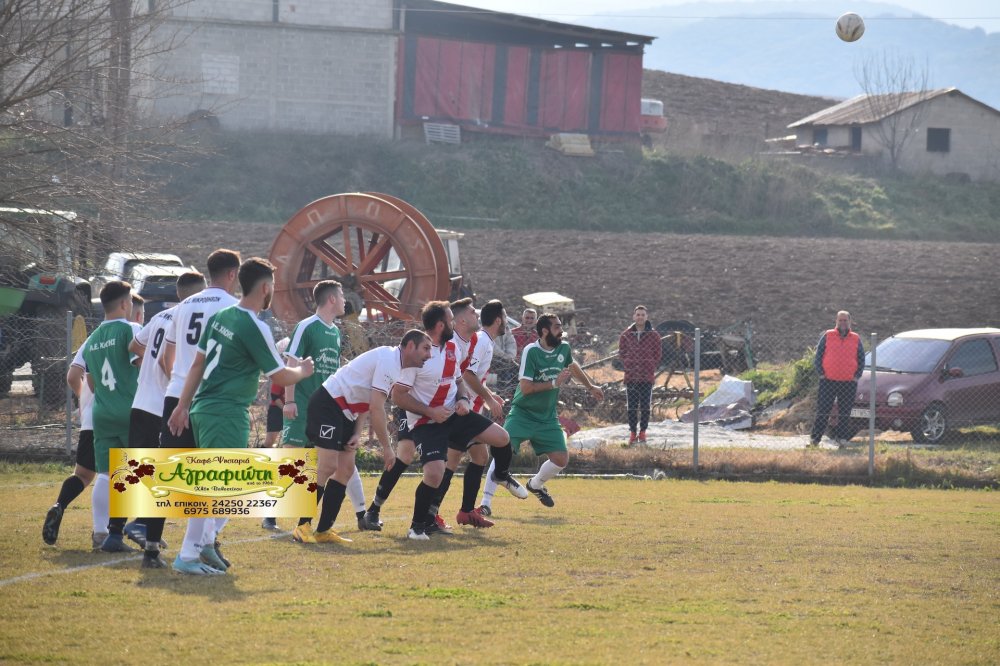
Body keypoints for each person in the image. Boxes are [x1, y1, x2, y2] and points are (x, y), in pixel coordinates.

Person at [167, 257, 315, 575]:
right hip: (225, 411)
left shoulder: (222, 316)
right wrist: (302, 371)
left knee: (226, 486)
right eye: (272, 286)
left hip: (205, 408)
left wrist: (182, 405)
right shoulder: (253, 325)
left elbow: (196, 365)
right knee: (220, 487)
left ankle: (204, 542)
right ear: (265, 288)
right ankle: (189, 554)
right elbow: (279, 375)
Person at [304, 329, 433, 543]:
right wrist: (387, 448)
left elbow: (367, 400)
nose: (429, 355)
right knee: (327, 466)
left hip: (345, 412)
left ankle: (323, 530)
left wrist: (356, 431)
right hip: (328, 403)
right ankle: (302, 526)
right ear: (410, 346)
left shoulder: (395, 364)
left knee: (344, 470)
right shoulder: (390, 361)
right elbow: (376, 408)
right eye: (426, 349)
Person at [124, 271, 206, 567]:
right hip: (165, 404)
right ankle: (143, 526)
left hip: (141, 401)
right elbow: (169, 361)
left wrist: (146, 358)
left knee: (144, 471)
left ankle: (119, 530)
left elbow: (136, 346)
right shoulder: (188, 318)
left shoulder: (162, 316)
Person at [284, 281, 374, 542]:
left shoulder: (335, 331)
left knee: (336, 464)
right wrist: (289, 401)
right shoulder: (307, 326)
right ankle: (276, 514)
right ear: (332, 299)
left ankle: (332, 523)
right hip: (301, 403)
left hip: (328, 409)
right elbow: (291, 361)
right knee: (292, 456)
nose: (346, 300)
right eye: (343, 295)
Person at [504, 313, 604, 508]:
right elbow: (525, 388)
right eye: (557, 327)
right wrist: (553, 383)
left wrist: (590, 387)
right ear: (544, 331)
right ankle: (485, 503)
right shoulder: (530, 351)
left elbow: (572, 366)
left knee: (561, 459)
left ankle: (535, 484)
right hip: (523, 412)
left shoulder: (563, 347)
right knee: (503, 450)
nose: (562, 331)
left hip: (546, 416)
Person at [428, 298, 509, 529]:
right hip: (452, 412)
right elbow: (462, 376)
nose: (478, 314)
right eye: (474, 312)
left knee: (475, 459)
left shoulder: (466, 342)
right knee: (408, 460)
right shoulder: (461, 342)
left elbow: (459, 375)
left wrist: (484, 395)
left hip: (461, 409)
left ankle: (458, 512)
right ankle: (422, 516)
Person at [79, 281, 140, 553]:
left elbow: (89, 381)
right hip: (129, 409)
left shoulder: (91, 340)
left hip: (101, 412)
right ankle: (140, 527)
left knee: (104, 474)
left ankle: (100, 532)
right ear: (125, 303)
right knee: (136, 472)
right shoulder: (129, 329)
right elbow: (144, 364)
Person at [159, 249, 241, 447]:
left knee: (174, 472)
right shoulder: (234, 308)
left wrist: (179, 382)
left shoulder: (184, 305)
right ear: (232, 274)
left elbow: (165, 357)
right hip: (212, 401)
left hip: (176, 396)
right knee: (212, 470)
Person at [41, 340, 99, 547]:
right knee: (118, 474)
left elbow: (72, 376)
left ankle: (59, 504)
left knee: (83, 475)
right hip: (115, 414)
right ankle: (108, 531)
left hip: (90, 417)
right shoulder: (131, 332)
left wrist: (84, 399)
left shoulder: (92, 341)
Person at [810, 310, 865, 448]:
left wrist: (856, 376)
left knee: (845, 413)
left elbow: (861, 359)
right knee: (823, 411)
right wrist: (821, 373)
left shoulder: (856, 338)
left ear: (850, 322)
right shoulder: (828, 335)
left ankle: (842, 440)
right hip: (828, 381)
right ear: (836, 321)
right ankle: (815, 440)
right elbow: (818, 356)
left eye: (845, 320)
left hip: (848, 382)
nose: (842, 323)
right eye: (840, 320)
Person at [618, 305, 662, 444]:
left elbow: (657, 354)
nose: (640, 317)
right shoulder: (626, 334)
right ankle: (632, 433)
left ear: (646, 317)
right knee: (631, 407)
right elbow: (622, 352)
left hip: (646, 377)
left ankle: (642, 433)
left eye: (643, 315)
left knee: (645, 407)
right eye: (638, 314)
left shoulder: (654, 335)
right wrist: (629, 363)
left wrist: (649, 365)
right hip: (631, 376)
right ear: (634, 316)